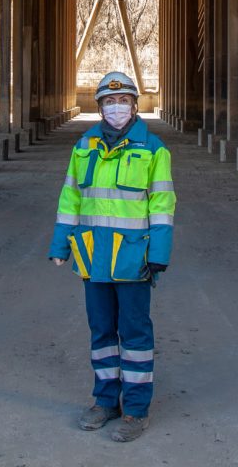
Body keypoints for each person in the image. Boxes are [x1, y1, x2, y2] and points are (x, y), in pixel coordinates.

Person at [49, 70, 176, 442]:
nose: (116, 108)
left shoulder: (153, 151)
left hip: (134, 260)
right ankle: (105, 401)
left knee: (135, 333)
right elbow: (70, 199)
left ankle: (135, 410)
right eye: (109, 102)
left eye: (122, 101)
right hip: (92, 257)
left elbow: (163, 205)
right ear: (99, 106)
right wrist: (60, 245)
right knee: (102, 332)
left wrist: (159, 253)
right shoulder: (83, 148)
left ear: (135, 106)